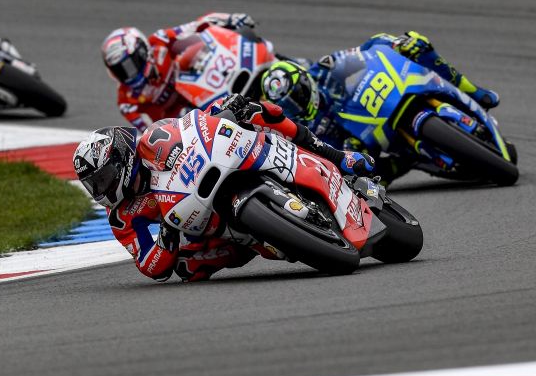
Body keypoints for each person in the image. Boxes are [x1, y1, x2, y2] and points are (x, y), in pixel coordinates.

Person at [73, 93, 374, 283]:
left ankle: (335, 156)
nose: (102, 188)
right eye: (94, 184)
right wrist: (167, 234)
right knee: (187, 268)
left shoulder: (153, 140)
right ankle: (258, 239)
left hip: (214, 165)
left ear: (122, 158)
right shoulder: (122, 217)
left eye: (103, 177)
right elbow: (150, 266)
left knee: (257, 109)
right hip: (200, 224)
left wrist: (224, 110)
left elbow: (191, 125)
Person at [260, 31, 501, 183]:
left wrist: (395, 43)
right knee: (362, 177)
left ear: (305, 80)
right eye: (289, 106)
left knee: (419, 46)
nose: (298, 104)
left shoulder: (323, 70)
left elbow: (368, 48)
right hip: (362, 142)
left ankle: (474, 91)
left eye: (298, 95)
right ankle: (408, 160)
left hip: (375, 105)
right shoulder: (303, 126)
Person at [102, 12, 267, 131]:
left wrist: (231, 19)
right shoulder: (127, 103)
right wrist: (177, 123)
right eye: (121, 71)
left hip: (204, 83)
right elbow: (149, 131)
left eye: (130, 65)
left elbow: (197, 26)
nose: (128, 74)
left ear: (142, 51)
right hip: (187, 122)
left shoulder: (159, 40)